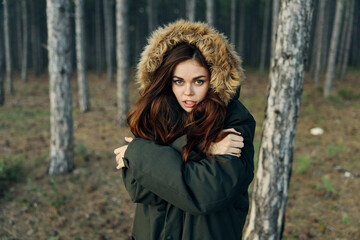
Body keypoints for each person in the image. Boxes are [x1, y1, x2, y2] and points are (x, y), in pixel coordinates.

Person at [114, 20, 255, 240]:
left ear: (215, 80)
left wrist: (141, 154)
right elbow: (137, 188)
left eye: (199, 81)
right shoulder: (157, 113)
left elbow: (204, 193)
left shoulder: (235, 120)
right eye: (178, 81)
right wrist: (202, 146)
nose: (187, 92)